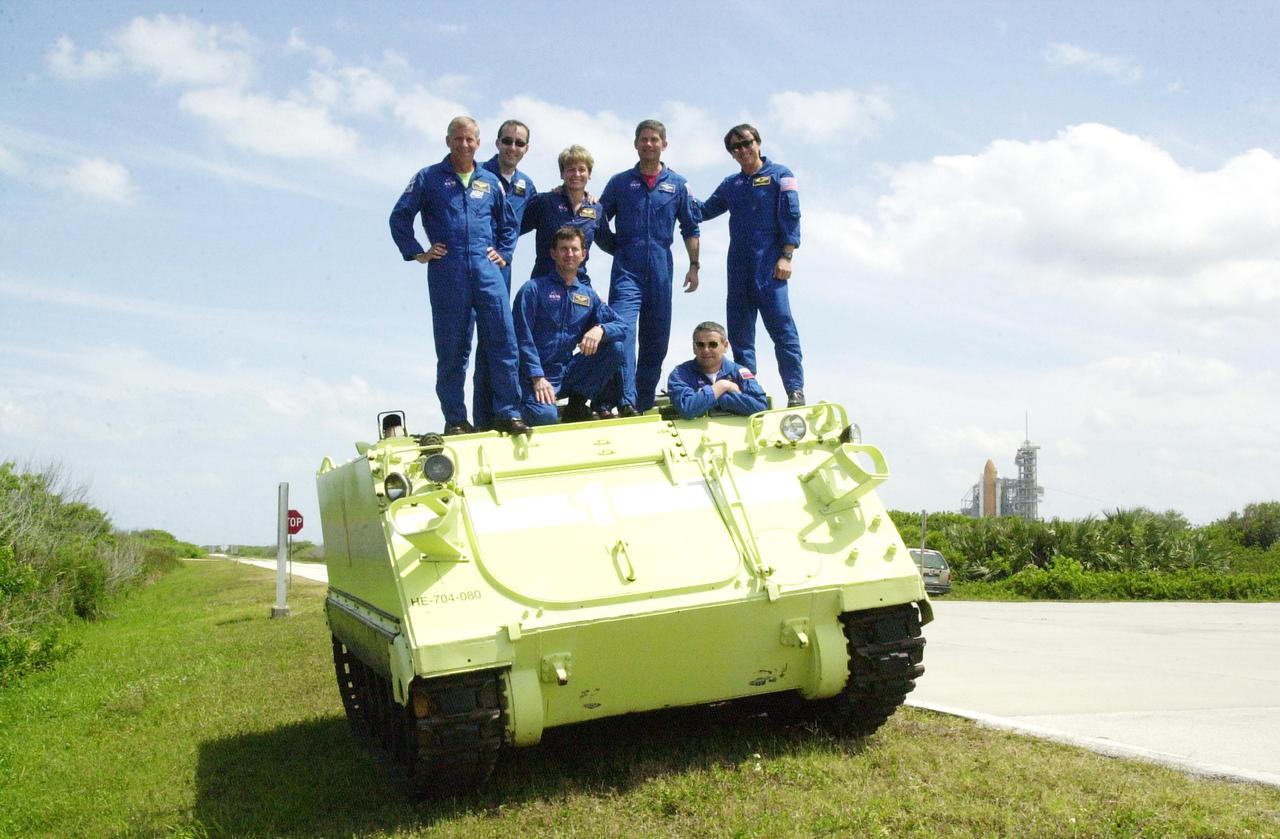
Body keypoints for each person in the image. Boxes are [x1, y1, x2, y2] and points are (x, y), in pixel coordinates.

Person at [389, 115, 530, 436]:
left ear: (478, 144)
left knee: (503, 342)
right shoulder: (428, 178)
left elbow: (508, 225)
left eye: (470, 140)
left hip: (487, 270)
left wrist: (504, 254)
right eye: (458, 139)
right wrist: (417, 252)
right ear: (448, 141)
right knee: (453, 348)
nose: (464, 144)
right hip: (447, 271)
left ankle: (509, 412)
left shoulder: (490, 182)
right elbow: (399, 217)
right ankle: (455, 419)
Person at [697, 123, 805, 407]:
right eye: (736, 147)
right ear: (731, 154)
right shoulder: (730, 185)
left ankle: (795, 391)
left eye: (746, 143)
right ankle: (749, 393)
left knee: (783, 332)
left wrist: (787, 254)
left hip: (770, 269)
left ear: (758, 142)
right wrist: (676, 195)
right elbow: (703, 211)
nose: (743, 150)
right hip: (739, 271)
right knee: (741, 339)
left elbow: (792, 216)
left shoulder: (781, 175)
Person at [598, 119, 700, 416]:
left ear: (664, 144)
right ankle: (623, 398)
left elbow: (691, 227)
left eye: (654, 139)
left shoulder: (678, 184)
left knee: (656, 339)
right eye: (643, 139)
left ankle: (641, 403)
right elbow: (598, 217)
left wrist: (694, 266)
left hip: (660, 269)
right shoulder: (620, 182)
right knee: (623, 333)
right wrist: (613, 246)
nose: (649, 144)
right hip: (627, 269)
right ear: (635, 144)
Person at [512, 227, 626, 426]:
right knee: (546, 418)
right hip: (533, 377)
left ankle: (577, 404)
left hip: (565, 373)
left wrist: (600, 329)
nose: (569, 254)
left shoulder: (588, 296)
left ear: (584, 254)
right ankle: (524, 405)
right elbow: (521, 337)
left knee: (615, 348)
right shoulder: (533, 290)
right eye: (563, 249)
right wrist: (537, 377)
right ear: (553, 253)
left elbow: (622, 327)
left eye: (574, 249)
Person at [471, 120, 538, 431]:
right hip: (470, 267)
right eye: (507, 141)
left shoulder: (526, 185)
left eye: (519, 143)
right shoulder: (477, 175)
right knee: (465, 346)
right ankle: (476, 420)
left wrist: (583, 196)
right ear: (496, 143)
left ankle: (501, 414)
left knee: (497, 343)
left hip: (502, 270)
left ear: (526, 149)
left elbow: (532, 218)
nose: (512, 148)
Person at [521, 144, 612, 284]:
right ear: (562, 174)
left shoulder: (596, 209)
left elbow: (609, 244)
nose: (576, 174)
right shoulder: (545, 202)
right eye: (571, 170)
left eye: (582, 169)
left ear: (589, 173)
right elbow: (514, 227)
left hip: (579, 287)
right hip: (542, 286)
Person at [667, 321, 768, 420]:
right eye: (700, 345)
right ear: (694, 348)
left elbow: (760, 406)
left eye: (712, 344)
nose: (706, 350)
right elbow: (687, 408)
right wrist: (722, 386)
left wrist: (713, 398)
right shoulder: (680, 374)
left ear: (725, 346)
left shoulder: (740, 372)